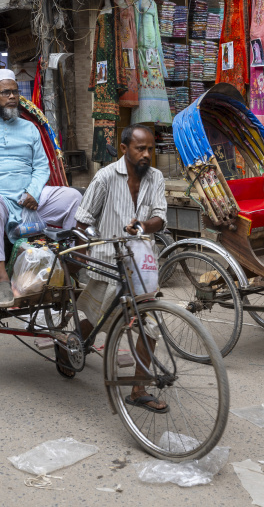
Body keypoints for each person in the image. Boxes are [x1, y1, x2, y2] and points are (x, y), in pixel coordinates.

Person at [0, 68, 82, 309]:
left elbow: (42, 167)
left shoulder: (30, 128)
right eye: (6, 93)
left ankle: (71, 264)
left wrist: (33, 191)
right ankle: (2, 278)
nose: (13, 97)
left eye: (15, 92)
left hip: (28, 195)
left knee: (72, 197)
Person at [74, 124, 168, 411]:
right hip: (107, 261)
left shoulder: (156, 178)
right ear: (124, 148)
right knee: (102, 318)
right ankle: (74, 342)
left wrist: (143, 225)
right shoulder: (104, 178)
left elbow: (160, 218)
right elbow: (82, 221)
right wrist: (81, 254)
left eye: (150, 148)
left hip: (141, 264)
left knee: (149, 325)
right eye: (140, 148)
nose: (146, 154)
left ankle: (138, 389)